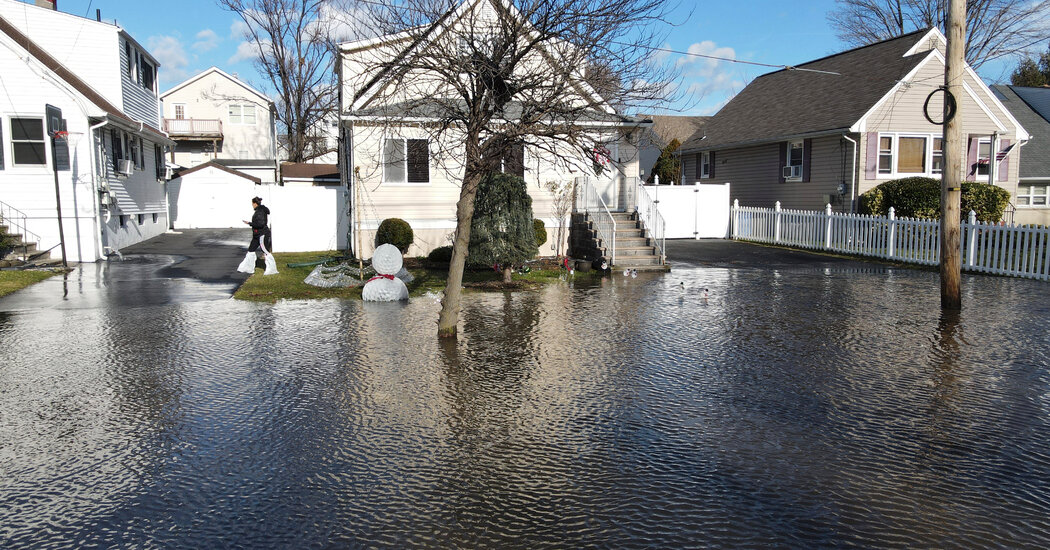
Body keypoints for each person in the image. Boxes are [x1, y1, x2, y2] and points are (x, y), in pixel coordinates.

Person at [243, 196, 272, 261]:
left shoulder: (260, 211)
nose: (252, 205)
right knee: (251, 250)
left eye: (252, 204)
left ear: (255, 203)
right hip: (257, 234)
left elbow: (261, 224)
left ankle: (271, 267)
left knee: (265, 250)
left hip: (262, 234)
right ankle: (247, 267)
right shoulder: (259, 210)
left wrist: (250, 223)